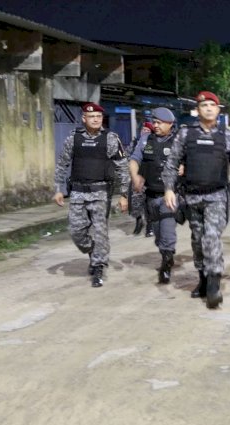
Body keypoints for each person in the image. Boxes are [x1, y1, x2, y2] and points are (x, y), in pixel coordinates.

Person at [163, 91, 230, 308]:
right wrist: (168, 189)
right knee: (197, 241)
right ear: (197, 110)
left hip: (217, 196)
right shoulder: (185, 134)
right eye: (204, 105)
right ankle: (202, 278)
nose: (209, 108)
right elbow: (172, 162)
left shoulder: (227, 135)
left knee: (211, 237)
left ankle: (213, 284)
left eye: (213, 105)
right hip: (192, 196)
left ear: (219, 110)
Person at [53, 102, 130, 287]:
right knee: (76, 231)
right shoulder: (74, 138)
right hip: (78, 192)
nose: (95, 119)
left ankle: (98, 267)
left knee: (100, 231)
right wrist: (58, 189)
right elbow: (62, 163)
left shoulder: (110, 138)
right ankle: (93, 250)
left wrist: (124, 194)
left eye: (98, 116)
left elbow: (122, 167)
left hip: (101, 192)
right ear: (83, 119)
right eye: (91, 116)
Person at [129, 107, 179, 284]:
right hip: (150, 195)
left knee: (167, 230)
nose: (155, 125)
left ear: (170, 124)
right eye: (154, 122)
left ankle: (166, 265)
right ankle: (166, 253)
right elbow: (135, 159)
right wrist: (135, 176)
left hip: (170, 195)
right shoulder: (145, 140)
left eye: (159, 123)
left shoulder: (178, 141)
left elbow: (187, 161)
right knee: (158, 235)